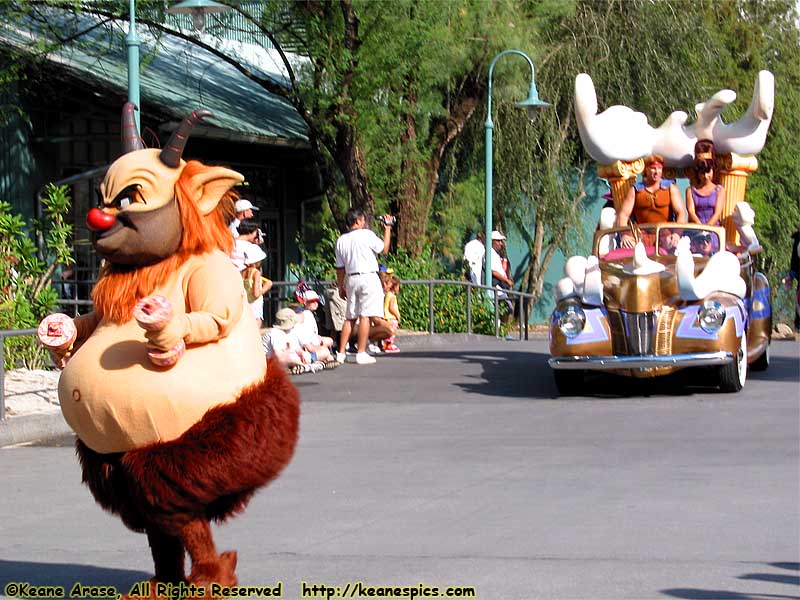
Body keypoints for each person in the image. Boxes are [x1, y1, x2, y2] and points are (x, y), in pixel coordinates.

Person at [334, 208, 393, 365]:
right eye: (363, 219)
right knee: (365, 315)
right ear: (358, 221)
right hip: (368, 276)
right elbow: (384, 249)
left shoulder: (341, 240)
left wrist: (341, 286)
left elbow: (339, 267)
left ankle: (341, 352)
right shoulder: (367, 235)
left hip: (351, 278)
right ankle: (361, 352)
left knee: (350, 317)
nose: (364, 222)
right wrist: (387, 228)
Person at [616, 154, 687, 247]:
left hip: (665, 234)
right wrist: (625, 235)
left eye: (659, 168)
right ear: (646, 169)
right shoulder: (635, 190)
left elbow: (681, 213)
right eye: (653, 168)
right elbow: (623, 215)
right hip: (642, 234)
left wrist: (677, 234)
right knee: (630, 247)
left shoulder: (670, 188)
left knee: (673, 245)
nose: (656, 172)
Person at [686, 140, 725, 228]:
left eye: (708, 172)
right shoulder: (690, 191)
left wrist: (707, 230)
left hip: (713, 230)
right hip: (696, 230)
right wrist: (701, 229)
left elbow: (717, 213)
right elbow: (691, 212)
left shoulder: (719, 190)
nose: (706, 176)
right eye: (702, 173)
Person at [295, 289, 334, 362]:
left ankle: (323, 356)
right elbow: (306, 343)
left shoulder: (308, 313)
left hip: (311, 341)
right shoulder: (303, 314)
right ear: (305, 302)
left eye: (316, 301)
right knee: (325, 351)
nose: (315, 303)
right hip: (305, 345)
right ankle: (318, 358)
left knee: (329, 341)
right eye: (312, 301)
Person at [241, 242, 272, 328]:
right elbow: (256, 294)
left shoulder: (242, 272)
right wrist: (267, 287)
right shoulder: (256, 273)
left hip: (246, 304)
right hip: (255, 305)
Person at [488, 230, 514, 318]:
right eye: (498, 241)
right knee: (507, 308)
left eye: (501, 241)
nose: (500, 243)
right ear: (492, 241)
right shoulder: (489, 253)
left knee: (507, 309)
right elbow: (493, 271)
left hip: (501, 287)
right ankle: (500, 330)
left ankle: (501, 329)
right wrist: (507, 280)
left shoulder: (496, 254)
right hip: (496, 287)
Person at [380, 272, 401, 353]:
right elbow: (391, 307)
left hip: (386, 317)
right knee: (392, 332)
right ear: (394, 287)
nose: (398, 288)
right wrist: (397, 315)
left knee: (387, 331)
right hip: (391, 317)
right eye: (398, 286)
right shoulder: (392, 296)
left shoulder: (387, 294)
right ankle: (388, 345)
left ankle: (386, 345)